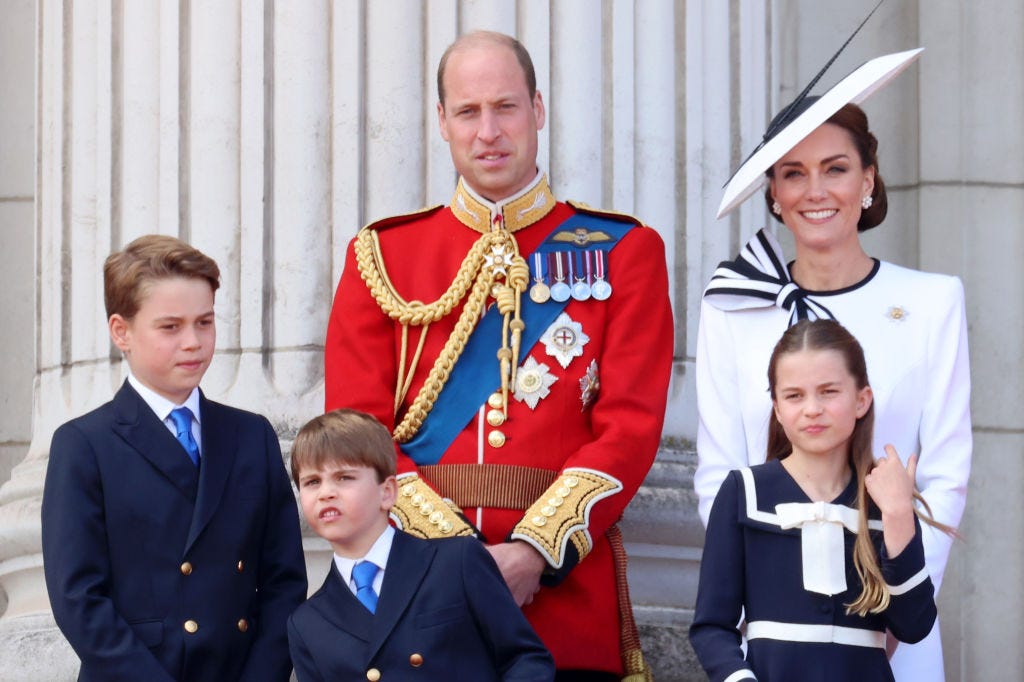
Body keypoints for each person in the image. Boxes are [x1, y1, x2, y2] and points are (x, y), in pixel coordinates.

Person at [324, 30, 673, 679]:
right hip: (421, 601)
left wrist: (533, 553)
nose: (489, 130)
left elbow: (629, 427)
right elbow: (355, 437)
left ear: (538, 110)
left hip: (563, 599)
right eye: (468, 111)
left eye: (506, 107)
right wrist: (460, 564)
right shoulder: (381, 259)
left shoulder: (625, 251)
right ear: (442, 122)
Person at [695, 51, 970, 681]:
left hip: (895, 631)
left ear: (868, 179)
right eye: (793, 173)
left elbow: (947, 474)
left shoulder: (932, 302)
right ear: (773, 191)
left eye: (836, 169)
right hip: (773, 641)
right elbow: (719, 475)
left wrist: (900, 601)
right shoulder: (733, 306)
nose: (815, 191)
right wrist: (763, 606)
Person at [41, 235, 308, 682]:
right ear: (121, 331)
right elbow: (79, 600)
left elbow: (285, 582)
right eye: (170, 327)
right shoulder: (84, 444)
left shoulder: (251, 435)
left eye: (204, 322)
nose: (193, 342)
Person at [691, 319, 954, 682]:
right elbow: (711, 627)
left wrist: (897, 515)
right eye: (794, 395)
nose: (812, 408)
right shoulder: (745, 491)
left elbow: (914, 624)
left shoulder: (883, 500)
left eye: (829, 391)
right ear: (778, 408)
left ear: (861, 400)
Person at [286, 409, 555, 681]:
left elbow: (524, 659)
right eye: (312, 482)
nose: (326, 493)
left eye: (344, 477)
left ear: (387, 492)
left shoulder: (456, 561)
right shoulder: (307, 622)